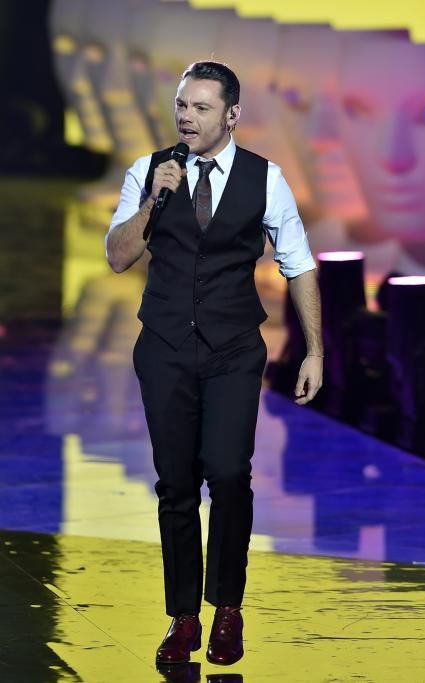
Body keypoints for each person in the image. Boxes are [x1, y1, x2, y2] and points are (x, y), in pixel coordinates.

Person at [106, 61, 323, 667]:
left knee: (228, 474)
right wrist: (154, 202)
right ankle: (183, 617)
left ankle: (228, 607)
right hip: (165, 349)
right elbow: (117, 257)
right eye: (182, 105)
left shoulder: (265, 178)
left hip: (232, 349)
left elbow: (299, 264)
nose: (186, 117)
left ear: (232, 115)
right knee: (176, 483)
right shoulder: (148, 172)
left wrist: (314, 350)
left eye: (201, 108)